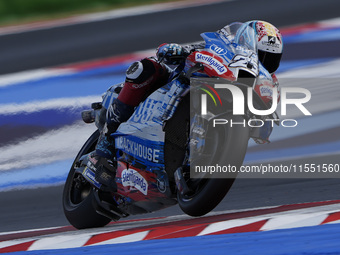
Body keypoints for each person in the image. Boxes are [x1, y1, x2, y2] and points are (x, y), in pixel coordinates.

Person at [88, 20, 284, 192]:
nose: (263, 61)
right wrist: (175, 50)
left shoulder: (268, 82)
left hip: (227, 105)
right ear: (244, 42)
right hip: (176, 85)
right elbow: (176, 50)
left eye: (271, 58)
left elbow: (267, 119)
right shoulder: (222, 49)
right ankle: (105, 142)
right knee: (145, 69)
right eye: (261, 54)